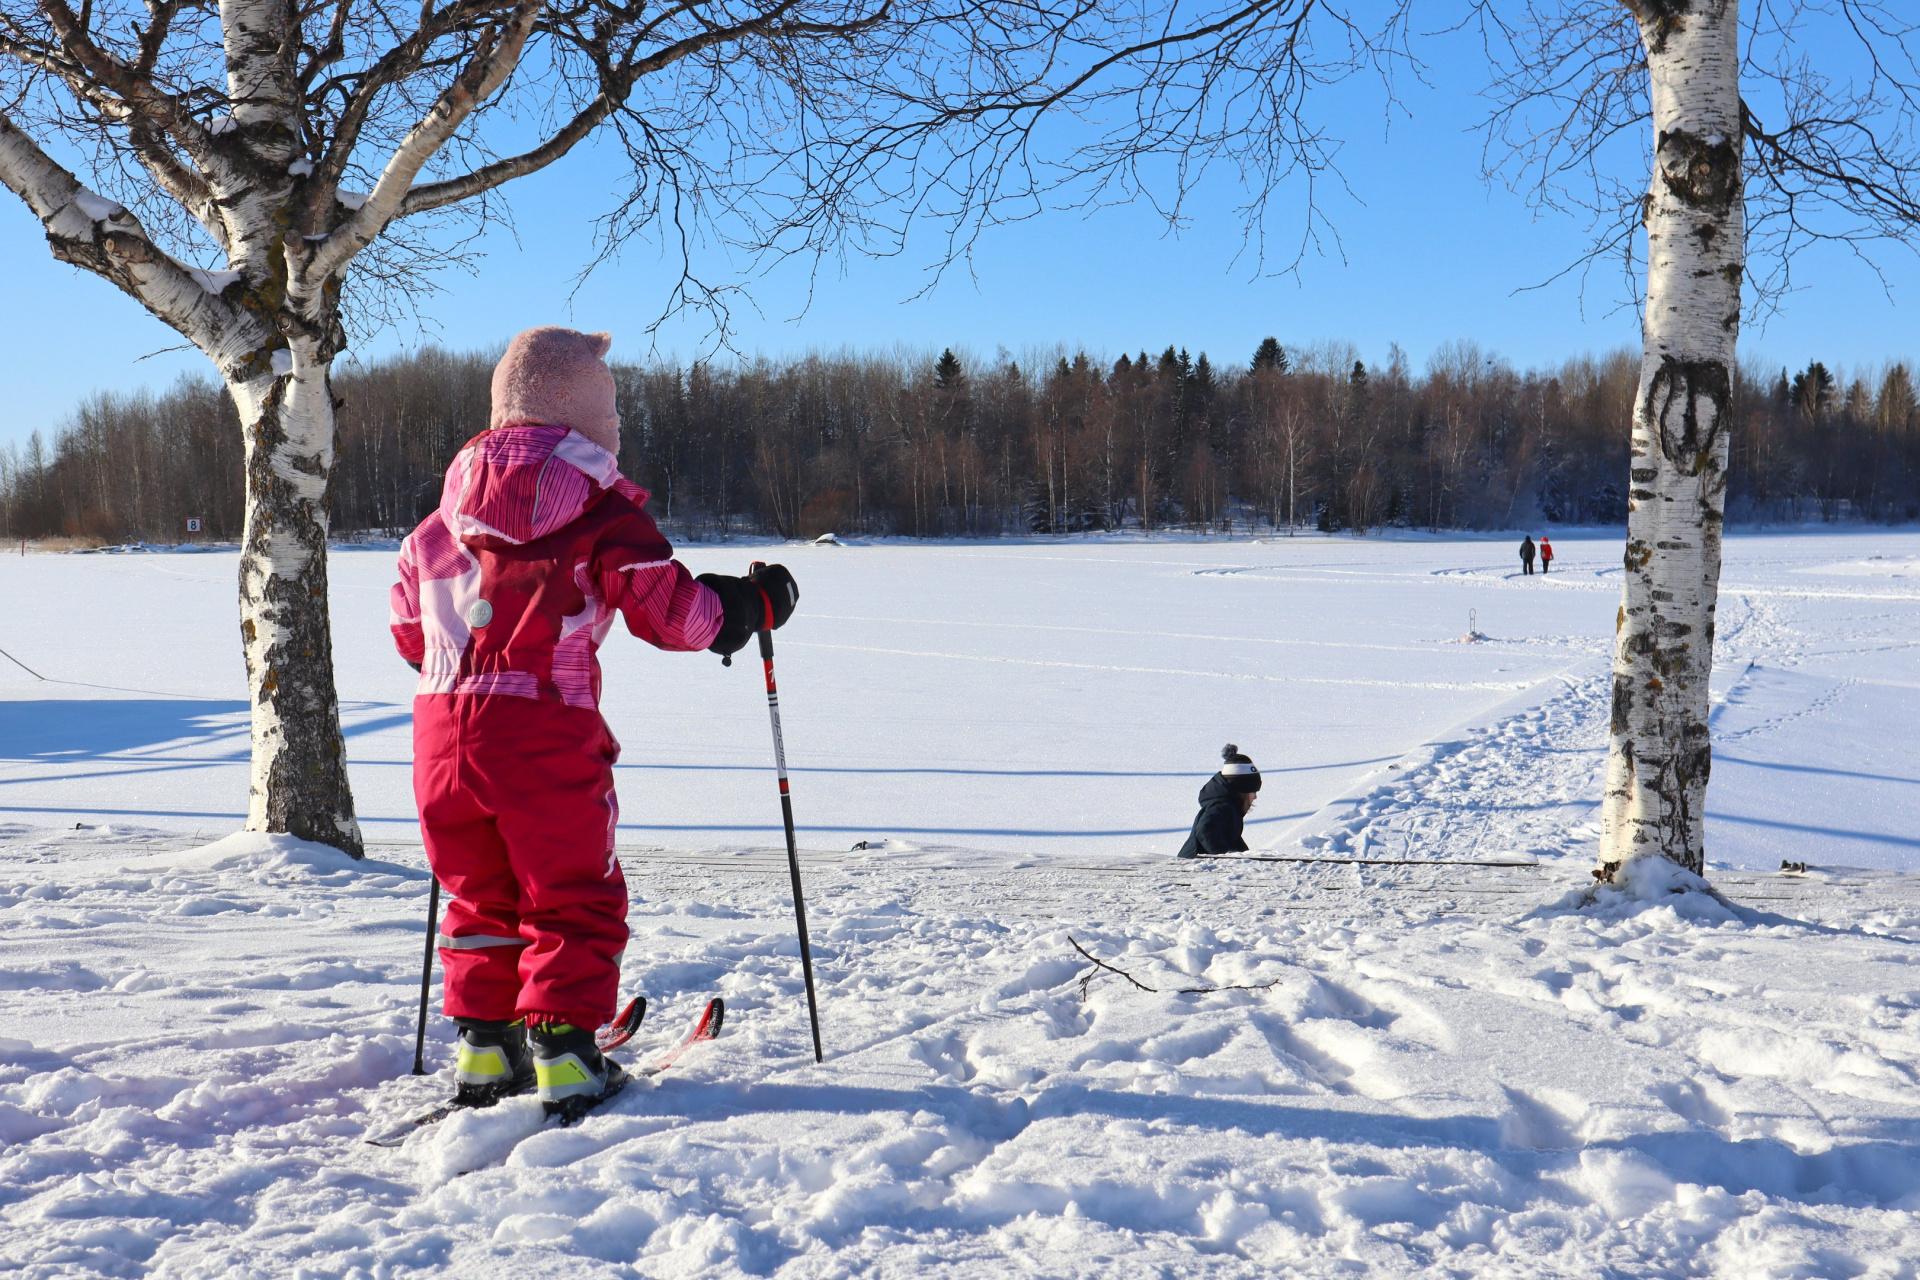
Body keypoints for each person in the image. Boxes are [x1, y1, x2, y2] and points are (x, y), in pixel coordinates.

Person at [388, 326, 799, 1116]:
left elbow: (410, 630)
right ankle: (567, 1058)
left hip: (440, 736)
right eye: (610, 416)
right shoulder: (601, 515)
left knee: (478, 889)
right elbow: (672, 615)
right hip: (544, 732)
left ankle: (484, 1048)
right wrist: (746, 607)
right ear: (578, 420)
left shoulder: (436, 526)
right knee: (569, 890)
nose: (617, 433)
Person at [1176, 745, 1262, 858]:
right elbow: (1204, 831)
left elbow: (1234, 842)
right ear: (1241, 791)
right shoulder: (1222, 807)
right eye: (1252, 792)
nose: (1255, 797)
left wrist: (1247, 858)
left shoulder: (1229, 807)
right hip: (1192, 868)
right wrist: (1224, 858)